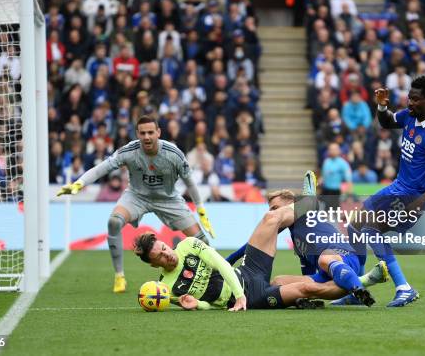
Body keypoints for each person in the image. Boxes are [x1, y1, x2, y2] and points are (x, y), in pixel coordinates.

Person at [133, 174, 379, 310]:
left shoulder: (187, 245)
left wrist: (237, 287)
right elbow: (205, 304)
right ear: (154, 265)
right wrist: (197, 304)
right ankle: (358, 284)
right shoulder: (169, 289)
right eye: (160, 256)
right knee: (303, 287)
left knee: (271, 219)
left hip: (248, 273)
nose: (167, 254)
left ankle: (310, 199)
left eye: (164, 248)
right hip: (255, 297)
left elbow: (219, 261)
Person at [57, 116, 216, 293]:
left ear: (158, 133)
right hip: (137, 196)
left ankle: (216, 275)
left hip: (168, 199)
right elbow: (102, 168)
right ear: (137, 134)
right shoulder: (129, 151)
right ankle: (119, 276)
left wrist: (200, 208)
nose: (147, 137)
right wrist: (79, 183)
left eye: (150, 132)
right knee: (114, 222)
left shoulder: (174, 153)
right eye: (143, 133)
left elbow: (189, 182)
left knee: (202, 240)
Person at [338, 76, 425, 307]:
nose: (410, 103)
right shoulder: (412, 116)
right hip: (396, 187)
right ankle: (357, 289)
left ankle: (404, 288)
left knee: (370, 229)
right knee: (355, 226)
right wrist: (382, 105)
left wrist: (423, 200)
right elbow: (388, 122)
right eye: (409, 98)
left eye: (415, 99)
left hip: (412, 196)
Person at [224, 172, 388, 304]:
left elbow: (311, 199)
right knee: (277, 282)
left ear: (291, 204)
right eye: (271, 209)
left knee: (324, 260)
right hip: (327, 273)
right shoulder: (295, 235)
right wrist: (305, 293)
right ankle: (355, 285)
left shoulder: (305, 211)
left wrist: (229, 260)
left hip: (344, 257)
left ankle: (358, 286)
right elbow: (254, 246)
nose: (273, 212)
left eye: (275, 207)